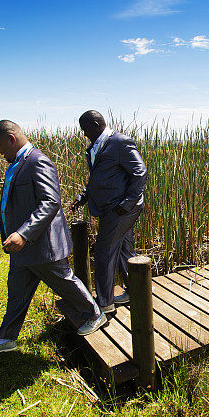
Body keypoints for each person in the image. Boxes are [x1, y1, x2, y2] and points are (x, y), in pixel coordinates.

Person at [0, 120, 104, 357]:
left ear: (11, 139)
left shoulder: (38, 161)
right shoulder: (15, 163)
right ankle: (6, 338)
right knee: (17, 293)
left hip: (41, 245)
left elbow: (50, 203)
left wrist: (24, 233)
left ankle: (95, 315)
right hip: (22, 248)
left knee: (64, 281)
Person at [69, 111, 147, 314]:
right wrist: (83, 196)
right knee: (123, 250)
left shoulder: (120, 142)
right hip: (110, 207)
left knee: (104, 253)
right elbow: (98, 177)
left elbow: (140, 171)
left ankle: (105, 303)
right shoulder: (95, 147)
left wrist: (128, 202)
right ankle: (134, 291)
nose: (84, 133)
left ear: (96, 124)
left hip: (120, 209)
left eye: (85, 129)